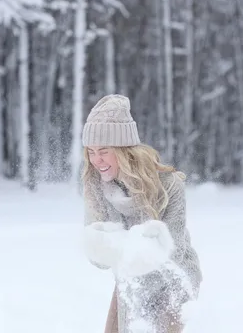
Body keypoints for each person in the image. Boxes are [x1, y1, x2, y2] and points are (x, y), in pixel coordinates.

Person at [82, 94, 202, 333]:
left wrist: (129, 251)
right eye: (91, 151)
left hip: (172, 280)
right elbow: (99, 260)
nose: (97, 160)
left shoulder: (168, 185)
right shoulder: (96, 184)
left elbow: (172, 249)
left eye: (104, 150)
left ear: (124, 149)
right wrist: (99, 244)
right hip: (129, 281)